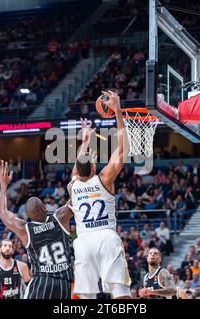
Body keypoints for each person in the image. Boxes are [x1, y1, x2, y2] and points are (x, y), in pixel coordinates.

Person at [68, 91, 130, 299]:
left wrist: (84, 140)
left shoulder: (72, 187)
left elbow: (77, 169)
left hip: (83, 242)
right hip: (106, 238)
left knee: (86, 297)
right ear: (94, 167)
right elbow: (122, 150)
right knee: (119, 293)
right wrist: (118, 111)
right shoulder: (104, 178)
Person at [0, 160, 73, 299]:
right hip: (64, 283)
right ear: (45, 208)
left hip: (41, 281)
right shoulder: (60, 217)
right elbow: (78, 199)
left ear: (27, 216)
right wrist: (73, 188)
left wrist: (3, 185)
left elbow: (2, 212)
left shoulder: (25, 229)